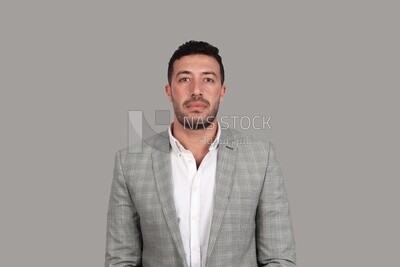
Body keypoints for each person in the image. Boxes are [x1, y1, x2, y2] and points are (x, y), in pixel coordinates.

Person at [105, 41, 296, 267]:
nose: (196, 90)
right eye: (184, 79)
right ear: (169, 90)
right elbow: (120, 260)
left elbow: (279, 259)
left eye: (208, 79)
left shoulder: (261, 158)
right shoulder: (130, 163)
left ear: (222, 91)